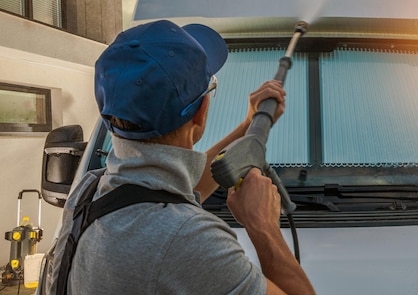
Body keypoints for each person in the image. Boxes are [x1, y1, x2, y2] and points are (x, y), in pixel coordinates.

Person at [47, 20, 315, 294]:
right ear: (202, 111)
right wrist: (264, 227)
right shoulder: (191, 242)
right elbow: (170, 223)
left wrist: (248, 125)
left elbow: (173, 191)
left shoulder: (89, 190)